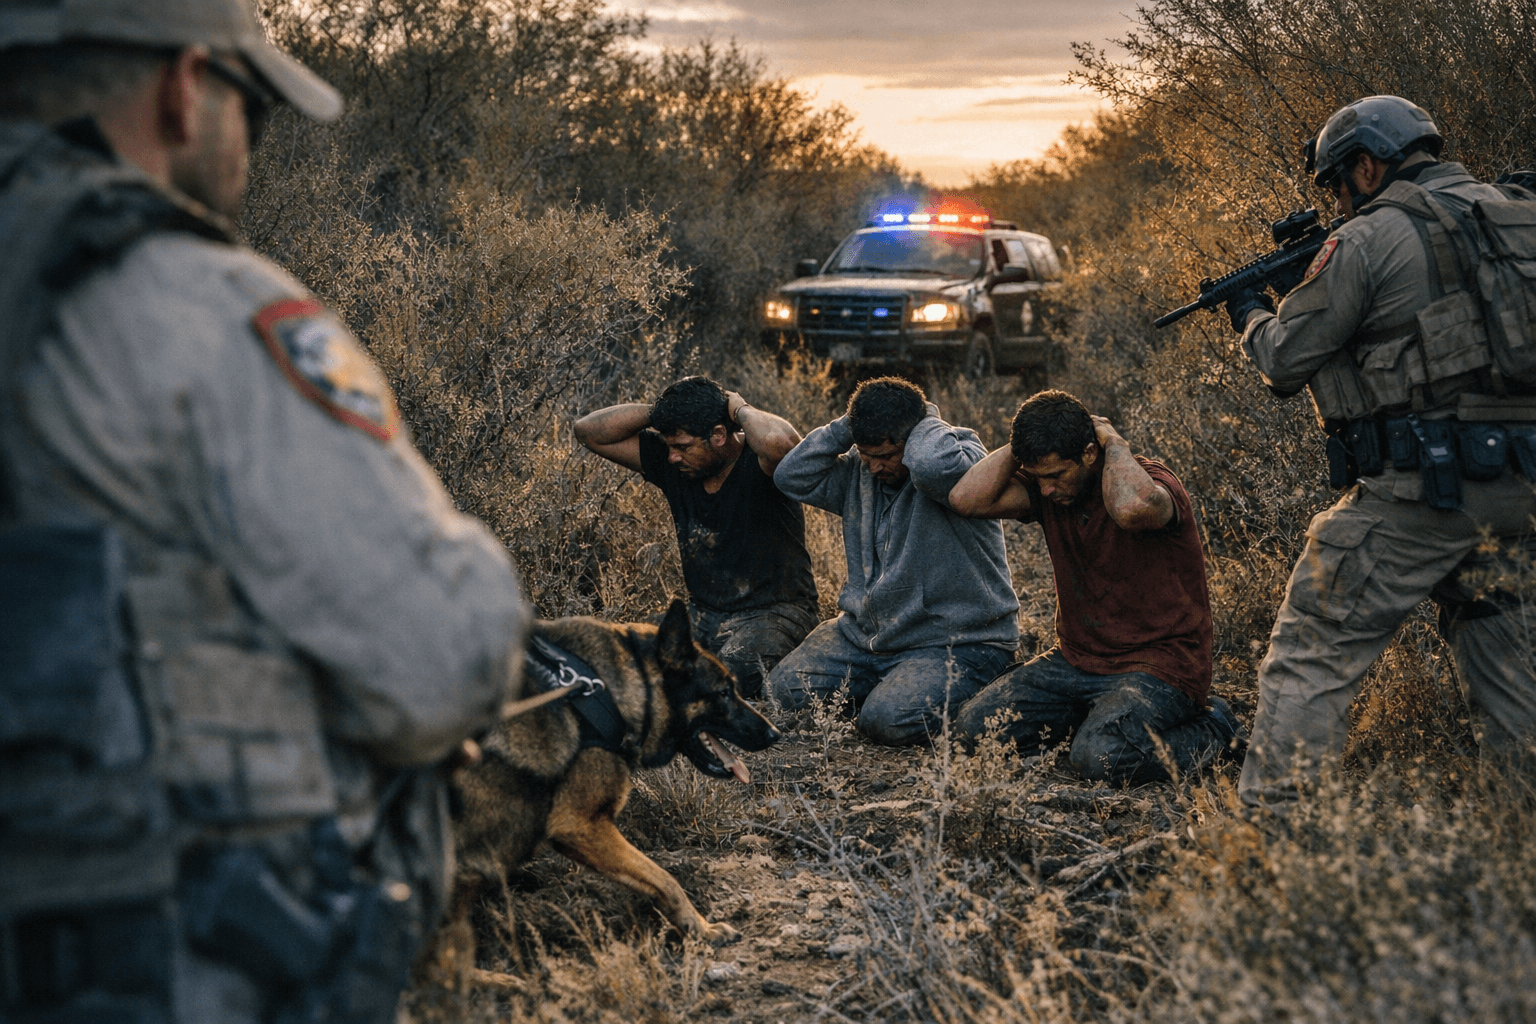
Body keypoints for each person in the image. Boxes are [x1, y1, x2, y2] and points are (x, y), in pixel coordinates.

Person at [0, 2, 532, 1021]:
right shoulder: (191, 305)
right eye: (254, 107)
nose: (248, 140)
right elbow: (438, 660)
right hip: (138, 948)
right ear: (183, 86)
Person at [1227, 95, 1536, 813]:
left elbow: (1283, 360)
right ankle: (1522, 841)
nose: (1338, 203)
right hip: (1523, 490)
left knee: (1314, 646)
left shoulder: (1368, 238)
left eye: (1337, 184)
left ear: (1367, 166)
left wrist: (1251, 312)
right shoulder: (1516, 213)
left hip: (1424, 492)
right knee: (1514, 664)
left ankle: (1279, 834)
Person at [947, 390, 1240, 782]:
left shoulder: (1148, 481)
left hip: (1160, 666)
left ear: (1089, 453)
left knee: (1098, 757)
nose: (1047, 490)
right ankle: (1098, 718)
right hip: (1076, 660)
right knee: (974, 729)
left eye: (1055, 476)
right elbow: (965, 499)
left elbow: (1132, 509)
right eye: (1039, 478)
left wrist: (1115, 443)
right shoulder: (1048, 490)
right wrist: (1021, 449)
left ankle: (1215, 727)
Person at [767, 377, 1018, 745]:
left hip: (958, 642)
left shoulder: (958, 457)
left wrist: (924, 419)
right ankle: (894, 684)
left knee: (888, 721)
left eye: (886, 456)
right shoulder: (860, 469)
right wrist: (849, 425)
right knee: (782, 692)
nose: (874, 468)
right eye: (866, 456)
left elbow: (932, 465)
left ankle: (961, 686)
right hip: (867, 638)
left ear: (915, 436)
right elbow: (791, 475)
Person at [573, 377, 819, 697]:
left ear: (718, 435)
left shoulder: (762, 462)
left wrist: (739, 408)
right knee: (621, 655)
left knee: (719, 678)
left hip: (776, 613)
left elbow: (784, 444)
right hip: (703, 615)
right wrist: (663, 412)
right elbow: (587, 431)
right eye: (670, 446)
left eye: (682, 447)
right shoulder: (676, 463)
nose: (672, 456)